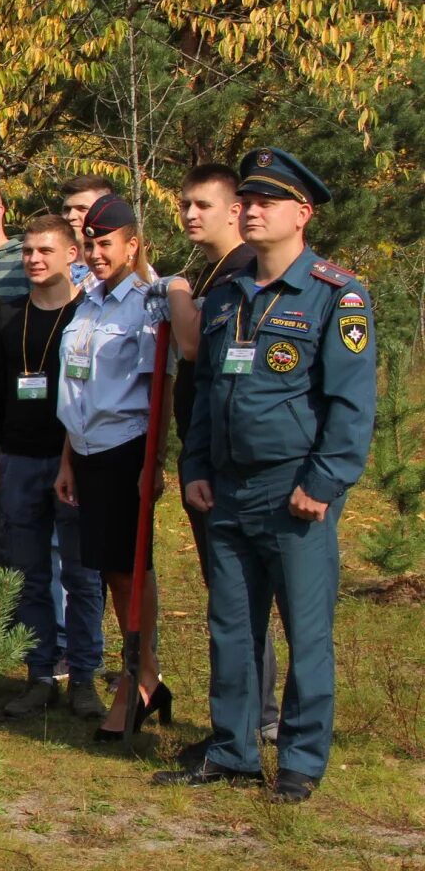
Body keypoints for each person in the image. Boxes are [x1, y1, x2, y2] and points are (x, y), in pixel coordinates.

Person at [160, 148, 375, 804]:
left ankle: (302, 761)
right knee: (231, 628)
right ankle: (233, 751)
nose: (251, 211)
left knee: (305, 633)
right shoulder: (225, 295)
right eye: (246, 200)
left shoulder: (338, 296)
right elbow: (205, 393)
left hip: (295, 492)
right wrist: (195, 467)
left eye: (266, 202)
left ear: (302, 214)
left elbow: (349, 404)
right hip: (226, 489)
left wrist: (325, 481)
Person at [52, 193, 196, 742]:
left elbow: (160, 384)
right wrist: (67, 459)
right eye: (89, 243)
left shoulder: (146, 301)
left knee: (129, 568)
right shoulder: (86, 302)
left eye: (105, 243)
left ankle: (141, 673)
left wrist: (154, 461)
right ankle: (141, 670)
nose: (95, 252)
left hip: (125, 448)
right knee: (107, 567)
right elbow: (77, 385)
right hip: (85, 450)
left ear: (132, 244)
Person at [0, 216, 107, 719]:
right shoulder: (5, 318)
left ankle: (85, 678)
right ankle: (39, 674)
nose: (34, 259)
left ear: (74, 255)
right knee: (26, 574)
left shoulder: (88, 317)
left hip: (78, 462)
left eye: (46, 250)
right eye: (27, 251)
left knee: (83, 574)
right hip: (19, 463)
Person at [168, 163, 276, 769]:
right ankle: (239, 723)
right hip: (206, 457)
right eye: (185, 203)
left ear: (236, 210)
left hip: (247, 467)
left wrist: (178, 295)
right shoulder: (214, 271)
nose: (189, 214)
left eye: (203, 204)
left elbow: (193, 349)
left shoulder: (239, 274)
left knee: (245, 602)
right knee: (228, 601)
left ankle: (258, 721)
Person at [60, 176, 116, 288]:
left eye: (82, 209)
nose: (71, 216)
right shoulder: (44, 265)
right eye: (67, 209)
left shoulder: (128, 272)